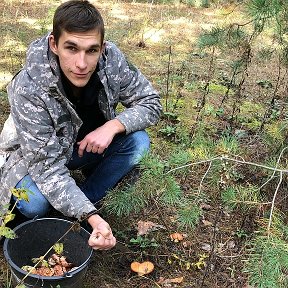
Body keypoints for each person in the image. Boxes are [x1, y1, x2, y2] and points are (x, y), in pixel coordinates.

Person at [0, 0, 162, 250]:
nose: (82, 64)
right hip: (31, 157)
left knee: (137, 142)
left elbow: (150, 102)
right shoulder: (29, 87)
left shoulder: (112, 60)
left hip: (82, 146)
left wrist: (113, 126)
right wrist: (91, 216)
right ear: (54, 44)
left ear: (102, 48)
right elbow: (46, 167)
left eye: (91, 50)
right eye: (71, 48)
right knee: (35, 204)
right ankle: (74, 211)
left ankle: (80, 202)